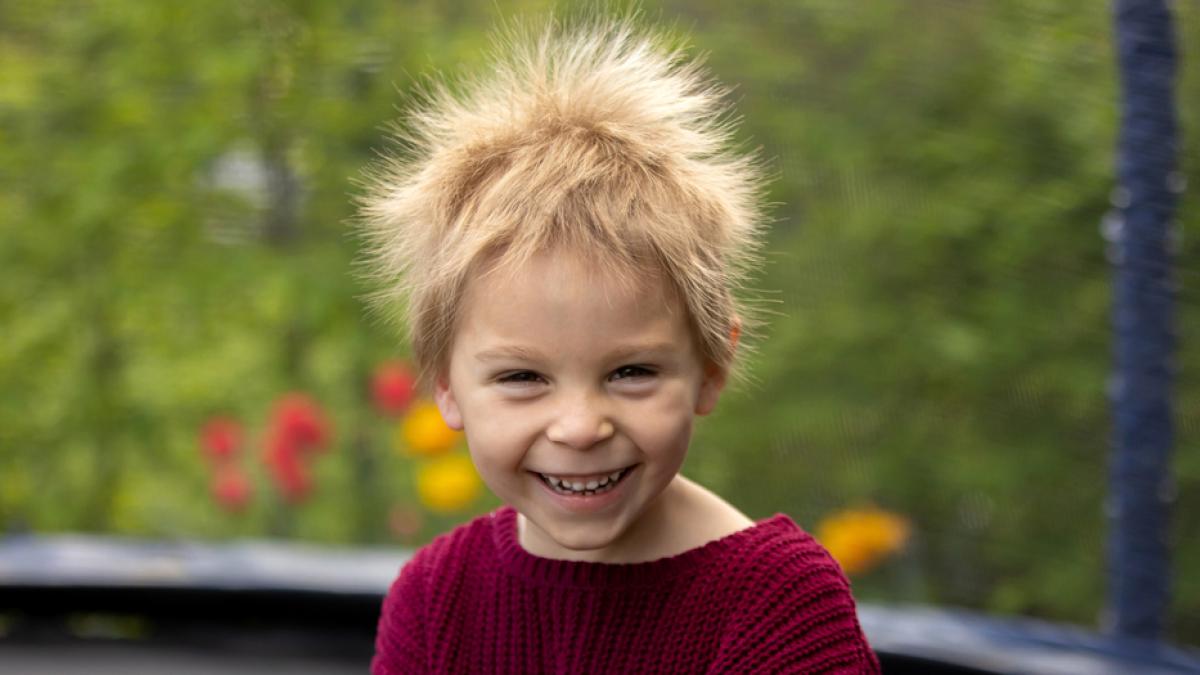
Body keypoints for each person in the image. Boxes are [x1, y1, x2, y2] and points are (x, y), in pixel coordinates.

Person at [360, 14, 880, 674]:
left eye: (631, 370)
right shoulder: (436, 598)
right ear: (445, 386)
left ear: (712, 365)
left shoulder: (775, 608)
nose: (580, 426)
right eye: (523, 377)